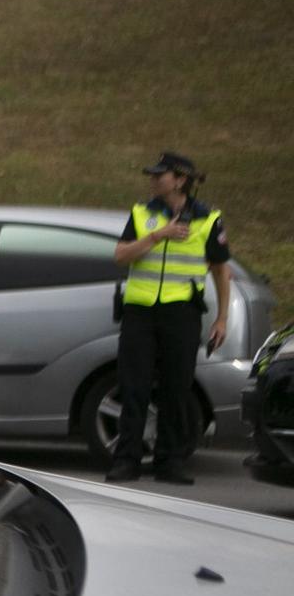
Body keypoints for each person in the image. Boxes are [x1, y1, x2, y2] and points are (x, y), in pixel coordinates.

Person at [106, 152, 232, 485]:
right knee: (134, 387)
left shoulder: (208, 219)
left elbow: (221, 270)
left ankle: (170, 461)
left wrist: (222, 318)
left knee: (177, 388)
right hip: (140, 313)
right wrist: (156, 236)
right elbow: (120, 255)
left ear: (179, 180)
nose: (152, 179)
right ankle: (126, 460)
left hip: (181, 314)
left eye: (159, 175)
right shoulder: (142, 213)